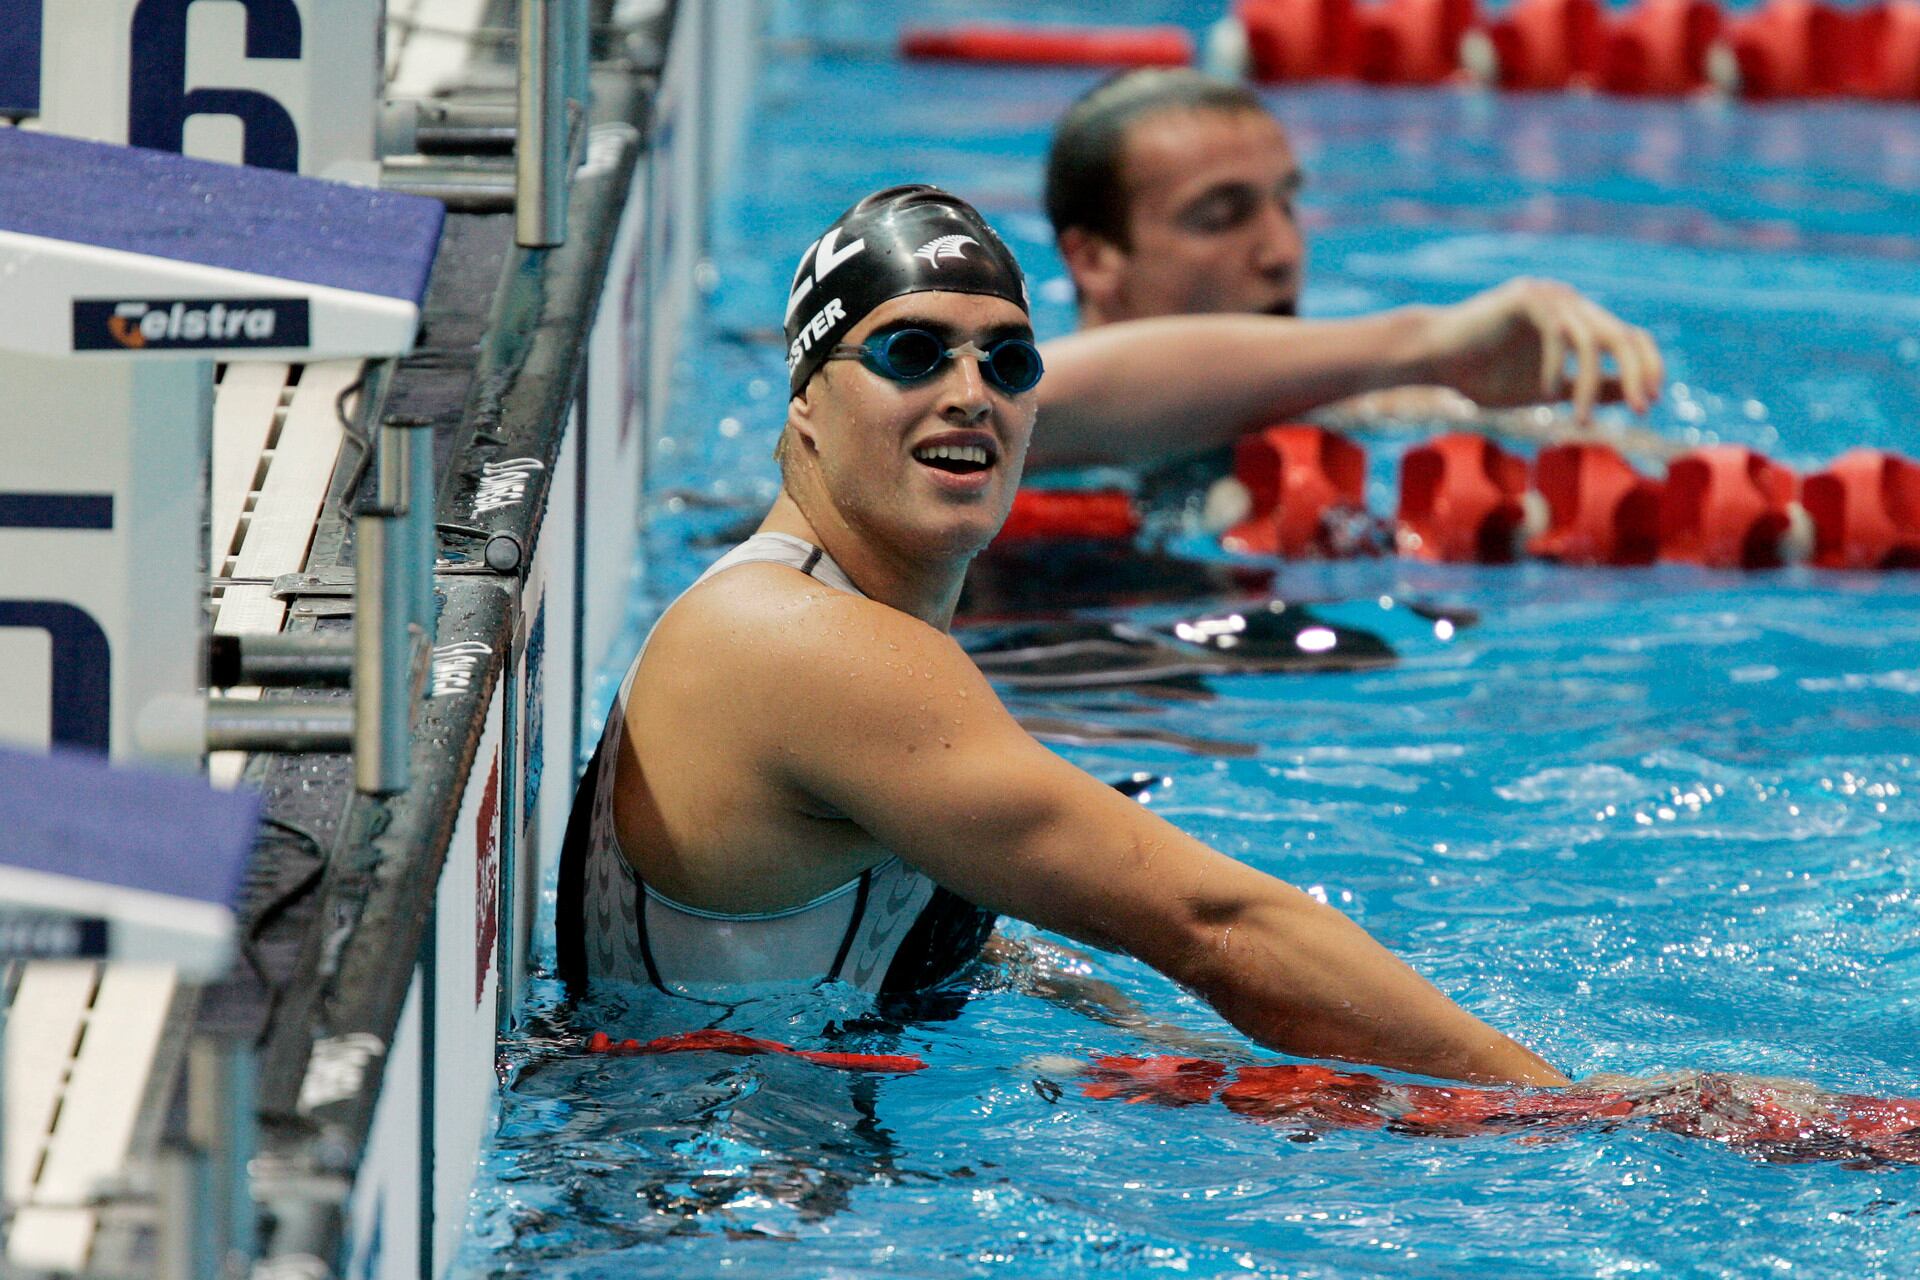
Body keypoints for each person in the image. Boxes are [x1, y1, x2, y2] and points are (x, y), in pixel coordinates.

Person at [559, 184, 1567, 1088]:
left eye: (1008, 361)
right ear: (807, 401)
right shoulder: (804, 642)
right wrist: (1578, 1106)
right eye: (910, 352)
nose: (969, 391)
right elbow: (1210, 923)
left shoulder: (810, 608)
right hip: (723, 1212)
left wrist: (1152, 1037)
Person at [1028, 69, 1667, 470]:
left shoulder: (1368, 399)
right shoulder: (998, 418)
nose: (1280, 253)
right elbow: (1038, 402)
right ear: (1094, 258)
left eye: (1286, 203)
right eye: (1221, 217)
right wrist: (1428, 342)